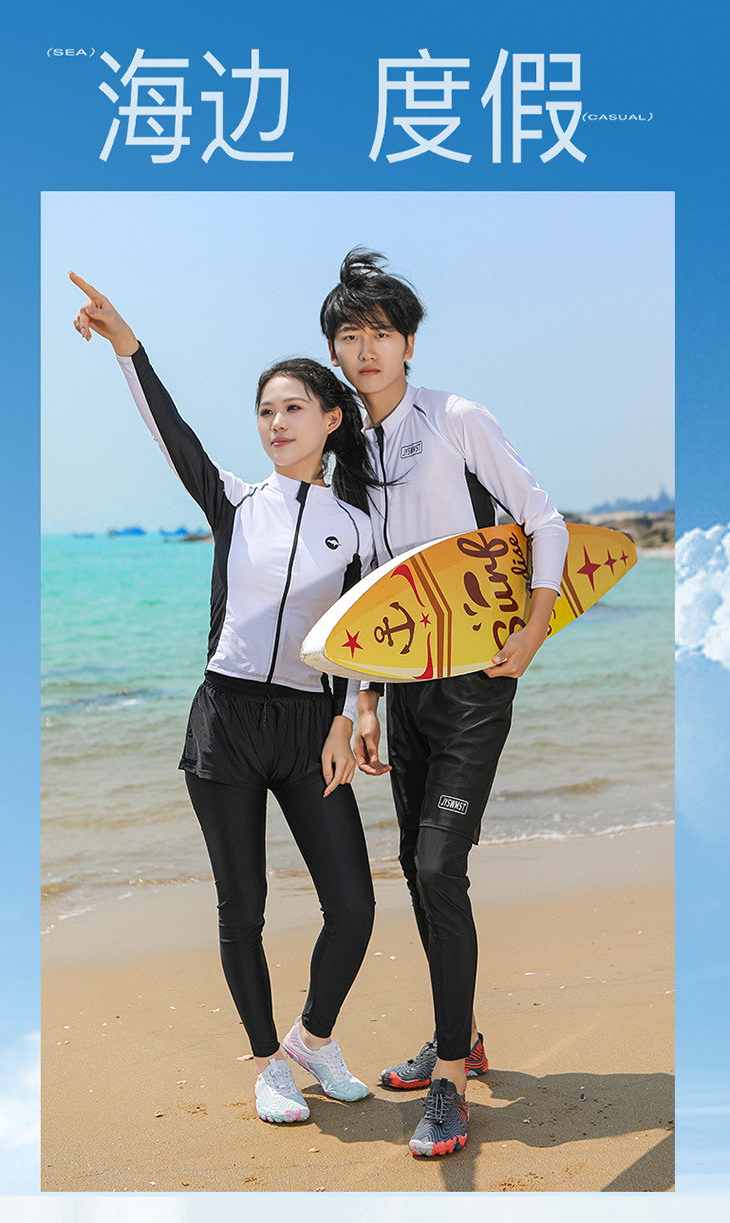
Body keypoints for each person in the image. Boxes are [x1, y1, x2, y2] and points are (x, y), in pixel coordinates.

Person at [70, 271, 379, 1127]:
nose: (275, 423)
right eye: (265, 411)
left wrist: (349, 714)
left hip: (309, 728)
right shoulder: (236, 500)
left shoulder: (357, 526)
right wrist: (129, 347)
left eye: (292, 408)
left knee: (354, 906)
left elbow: (369, 634)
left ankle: (312, 1039)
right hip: (227, 726)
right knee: (243, 907)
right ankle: (268, 1064)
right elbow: (167, 429)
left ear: (331, 418)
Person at [320, 249, 569, 1157]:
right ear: (336, 353)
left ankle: (451, 1084)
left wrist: (535, 629)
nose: (368, 348)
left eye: (382, 332)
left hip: (475, 683)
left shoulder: (458, 418)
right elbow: (367, 590)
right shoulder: (349, 452)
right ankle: (458, 1034)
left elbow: (544, 519)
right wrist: (362, 700)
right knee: (415, 864)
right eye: (352, 336)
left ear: (409, 343)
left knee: (437, 866)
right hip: (404, 687)